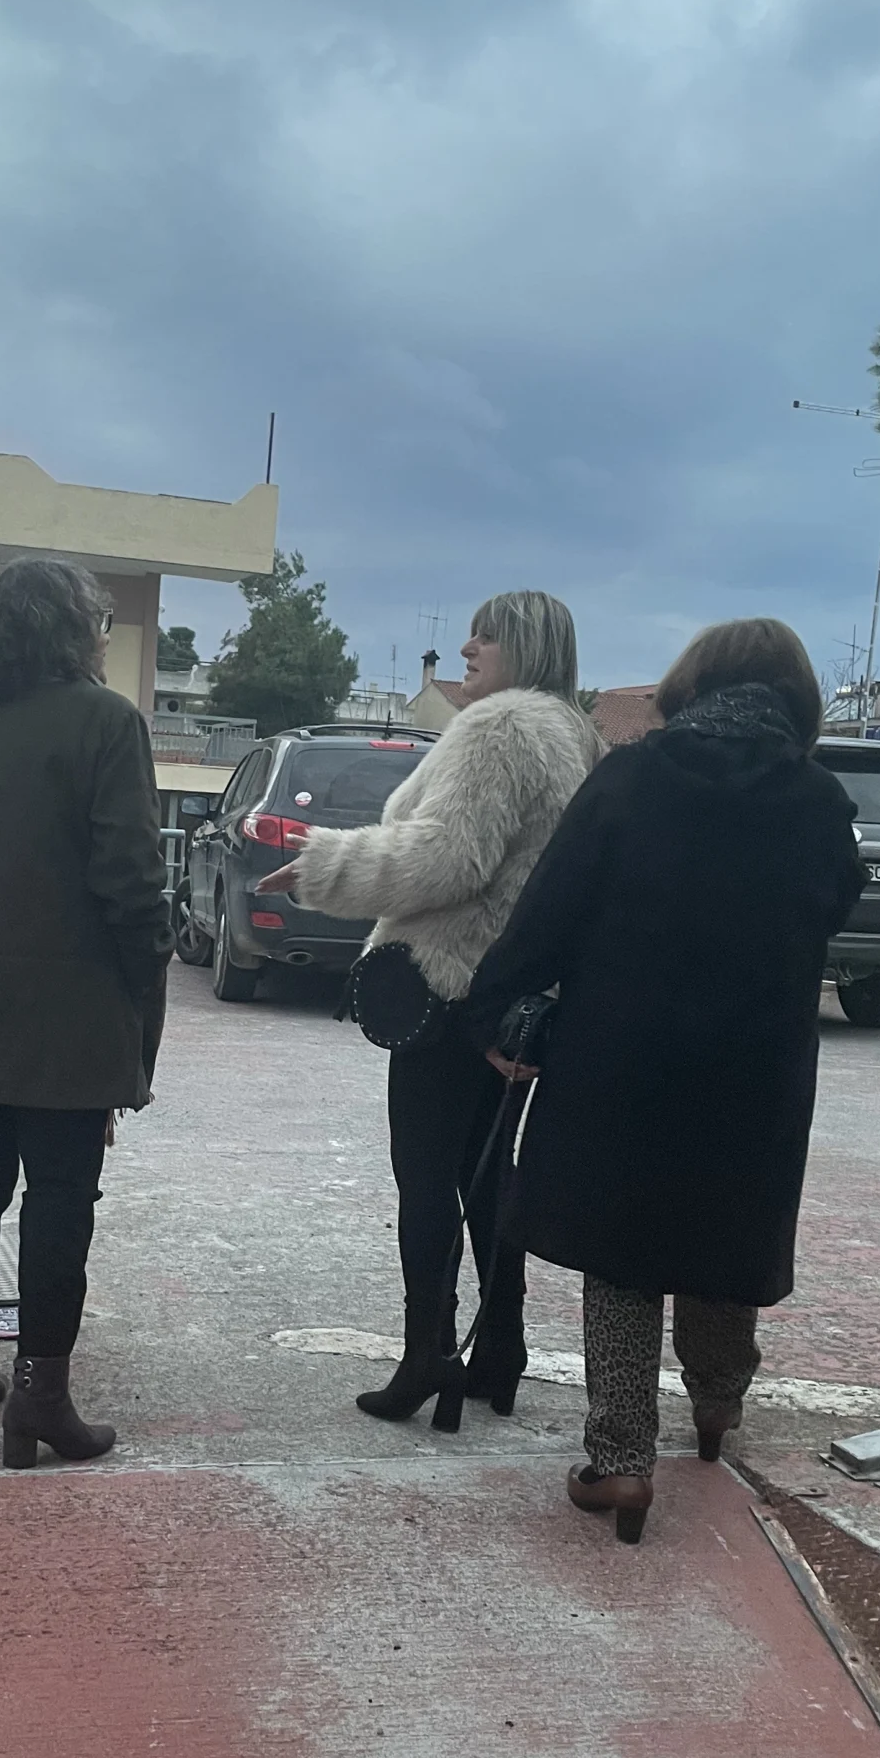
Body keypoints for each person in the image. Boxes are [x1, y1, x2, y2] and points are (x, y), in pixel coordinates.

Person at [465, 618, 864, 1544]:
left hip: (620, 1057)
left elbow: (552, 906)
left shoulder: (630, 777)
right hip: (753, 1062)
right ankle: (717, 1402)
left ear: (691, 683)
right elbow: (833, 906)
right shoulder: (816, 799)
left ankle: (619, 1462)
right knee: (725, 1232)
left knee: (621, 1253)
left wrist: (494, 1009)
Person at [256, 590, 603, 1426]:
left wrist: (323, 866)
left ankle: (427, 1355)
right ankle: (500, 1347)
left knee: (425, 1178)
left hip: (447, 983)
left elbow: (449, 856)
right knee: (487, 1175)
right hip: (512, 997)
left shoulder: (500, 727)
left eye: (486, 635)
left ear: (524, 645)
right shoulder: (575, 737)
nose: (467, 647)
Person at [0, 554, 171, 1469]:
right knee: (59, 1196)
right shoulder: (106, 722)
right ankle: (40, 1393)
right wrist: (145, 983)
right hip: (70, 1009)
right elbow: (130, 878)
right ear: (75, 629)